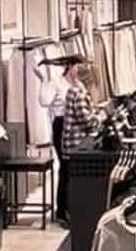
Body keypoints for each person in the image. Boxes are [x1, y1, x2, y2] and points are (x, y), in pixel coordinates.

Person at [40, 57, 97, 225]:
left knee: (71, 170)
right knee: (65, 169)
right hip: (62, 125)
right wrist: (43, 81)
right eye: (77, 67)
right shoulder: (57, 83)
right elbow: (44, 101)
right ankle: (62, 210)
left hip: (75, 127)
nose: (78, 70)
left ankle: (70, 207)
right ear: (70, 67)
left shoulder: (78, 85)